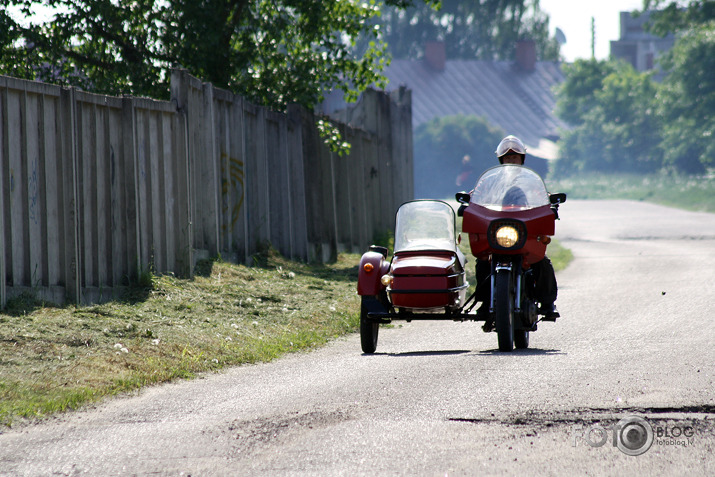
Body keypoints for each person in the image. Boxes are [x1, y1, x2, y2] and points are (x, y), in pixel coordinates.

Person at [475, 135, 560, 325]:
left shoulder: (531, 180)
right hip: (497, 230)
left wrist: (550, 202)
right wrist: (469, 201)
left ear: (521, 159)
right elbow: (477, 195)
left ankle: (547, 303)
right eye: (507, 158)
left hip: (524, 231)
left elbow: (541, 196)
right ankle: (485, 302)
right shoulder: (490, 181)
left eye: (514, 157)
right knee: (483, 262)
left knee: (541, 261)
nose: (511, 161)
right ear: (501, 160)